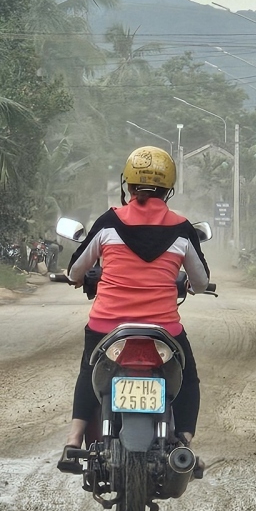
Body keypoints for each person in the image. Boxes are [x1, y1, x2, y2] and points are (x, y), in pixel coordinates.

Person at [59, 146, 209, 472]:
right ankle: (184, 444)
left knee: (89, 370)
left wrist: (81, 277)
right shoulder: (182, 229)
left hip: (107, 327)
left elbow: (74, 272)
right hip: (162, 332)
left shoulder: (108, 222)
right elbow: (200, 282)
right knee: (188, 379)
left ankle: (73, 442)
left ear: (127, 184)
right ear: (169, 187)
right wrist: (184, 282)